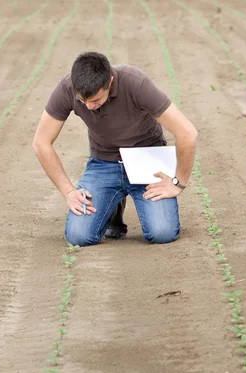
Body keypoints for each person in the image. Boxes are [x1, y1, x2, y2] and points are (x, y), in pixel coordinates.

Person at [32, 51, 198, 247]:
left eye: (95, 100)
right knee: (78, 236)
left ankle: (114, 200)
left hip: (146, 160)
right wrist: (68, 191)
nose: (89, 107)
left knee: (162, 232)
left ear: (109, 82)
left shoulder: (135, 83)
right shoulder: (67, 88)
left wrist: (178, 183)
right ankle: (113, 206)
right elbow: (41, 143)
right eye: (83, 101)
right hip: (104, 163)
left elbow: (188, 133)